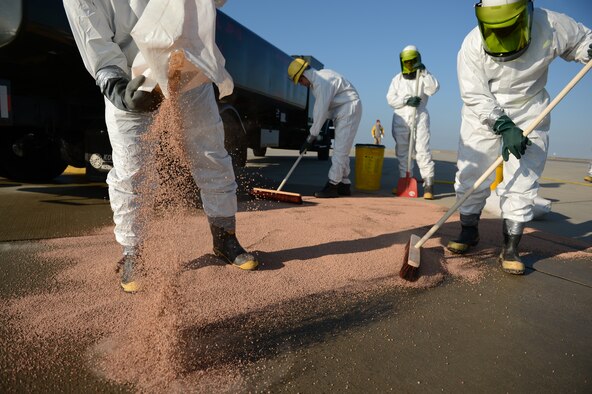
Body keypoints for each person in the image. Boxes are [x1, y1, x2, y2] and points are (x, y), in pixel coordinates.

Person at [63, 0, 259, 293]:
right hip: (133, 79)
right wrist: (115, 85)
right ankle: (133, 253)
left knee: (212, 157)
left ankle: (224, 237)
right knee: (133, 171)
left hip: (189, 70)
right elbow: (91, 34)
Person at [448, 0, 592, 275]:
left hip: (530, 109)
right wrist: (502, 124)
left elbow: (583, 39)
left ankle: (511, 246)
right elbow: (474, 93)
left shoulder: (550, 25)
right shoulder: (472, 45)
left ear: (525, 15)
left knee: (522, 177)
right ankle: (468, 231)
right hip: (484, 111)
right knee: (472, 172)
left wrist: (588, 49)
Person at [287, 58, 363, 198]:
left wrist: (311, 136)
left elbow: (320, 111)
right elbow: (325, 110)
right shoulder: (321, 78)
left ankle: (333, 185)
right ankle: (344, 184)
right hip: (343, 110)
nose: (302, 85)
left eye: (300, 81)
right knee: (343, 149)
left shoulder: (321, 82)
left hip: (348, 109)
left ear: (304, 75)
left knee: (340, 150)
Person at [386, 45, 440, 200]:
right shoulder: (396, 79)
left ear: (417, 59)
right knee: (403, 151)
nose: (409, 64)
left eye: (412, 61)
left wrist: (424, 72)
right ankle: (405, 180)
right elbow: (390, 99)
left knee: (422, 149)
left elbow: (434, 89)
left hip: (420, 116)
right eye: (407, 62)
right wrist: (406, 100)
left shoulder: (423, 77)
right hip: (401, 117)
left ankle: (428, 184)